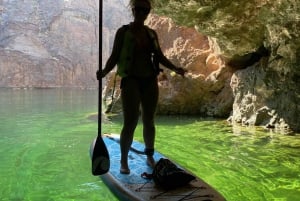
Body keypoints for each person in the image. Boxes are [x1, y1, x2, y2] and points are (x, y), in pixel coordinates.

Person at [98, 0, 186, 174]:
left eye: (145, 10)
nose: (141, 13)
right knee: (130, 122)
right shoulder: (123, 32)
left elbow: (159, 56)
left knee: (149, 120)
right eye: (138, 9)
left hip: (149, 81)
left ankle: (149, 155)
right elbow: (114, 56)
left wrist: (175, 68)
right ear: (133, 10)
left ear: (148, 12)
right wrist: (104, 71)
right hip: (131, 80)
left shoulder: (151, 33)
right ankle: (124, 161)